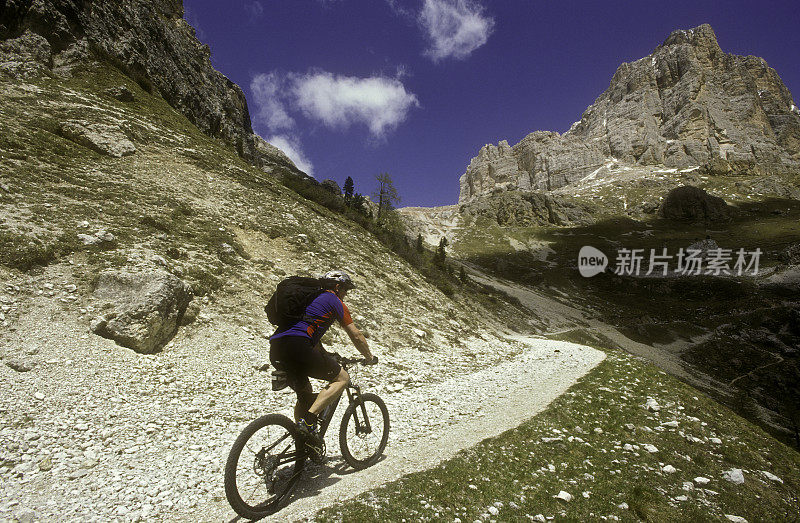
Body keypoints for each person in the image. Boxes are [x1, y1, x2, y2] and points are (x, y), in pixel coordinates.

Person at [268, 270, 375, 457]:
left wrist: (326, 355)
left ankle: (304, 443)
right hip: (298, 345)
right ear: (337, 287)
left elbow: (311, 338)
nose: (346, 294)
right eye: (346, 290)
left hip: (277, 346)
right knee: (342, 378)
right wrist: (368, 357)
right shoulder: (334, 301)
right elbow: (356, 335)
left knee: (305, 394)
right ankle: (309, 422)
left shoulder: (308, 301)